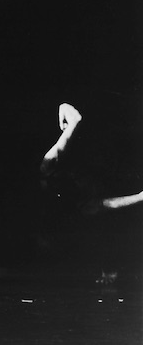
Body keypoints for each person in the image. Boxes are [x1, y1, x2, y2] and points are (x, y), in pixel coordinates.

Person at [39, 102, 143, 284]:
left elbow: (107, 204)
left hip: (66, 187)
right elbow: (107, 204)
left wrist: (64, 112)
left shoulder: (50, 168)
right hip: (69, 201)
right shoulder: (79, 200)